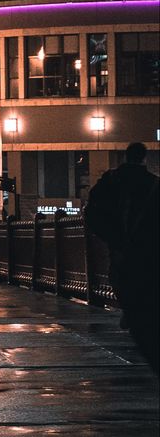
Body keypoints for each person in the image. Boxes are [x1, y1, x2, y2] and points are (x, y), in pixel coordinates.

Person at [85, 142, 159, 372]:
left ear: (125, 157)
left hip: (118, 243)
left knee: (120, 276)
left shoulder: (111, 180)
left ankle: (128, 308)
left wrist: (110, 236)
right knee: (145, 282)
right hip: (145, 246)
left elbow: (92, 210)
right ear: (144, 158)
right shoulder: (153, 184)